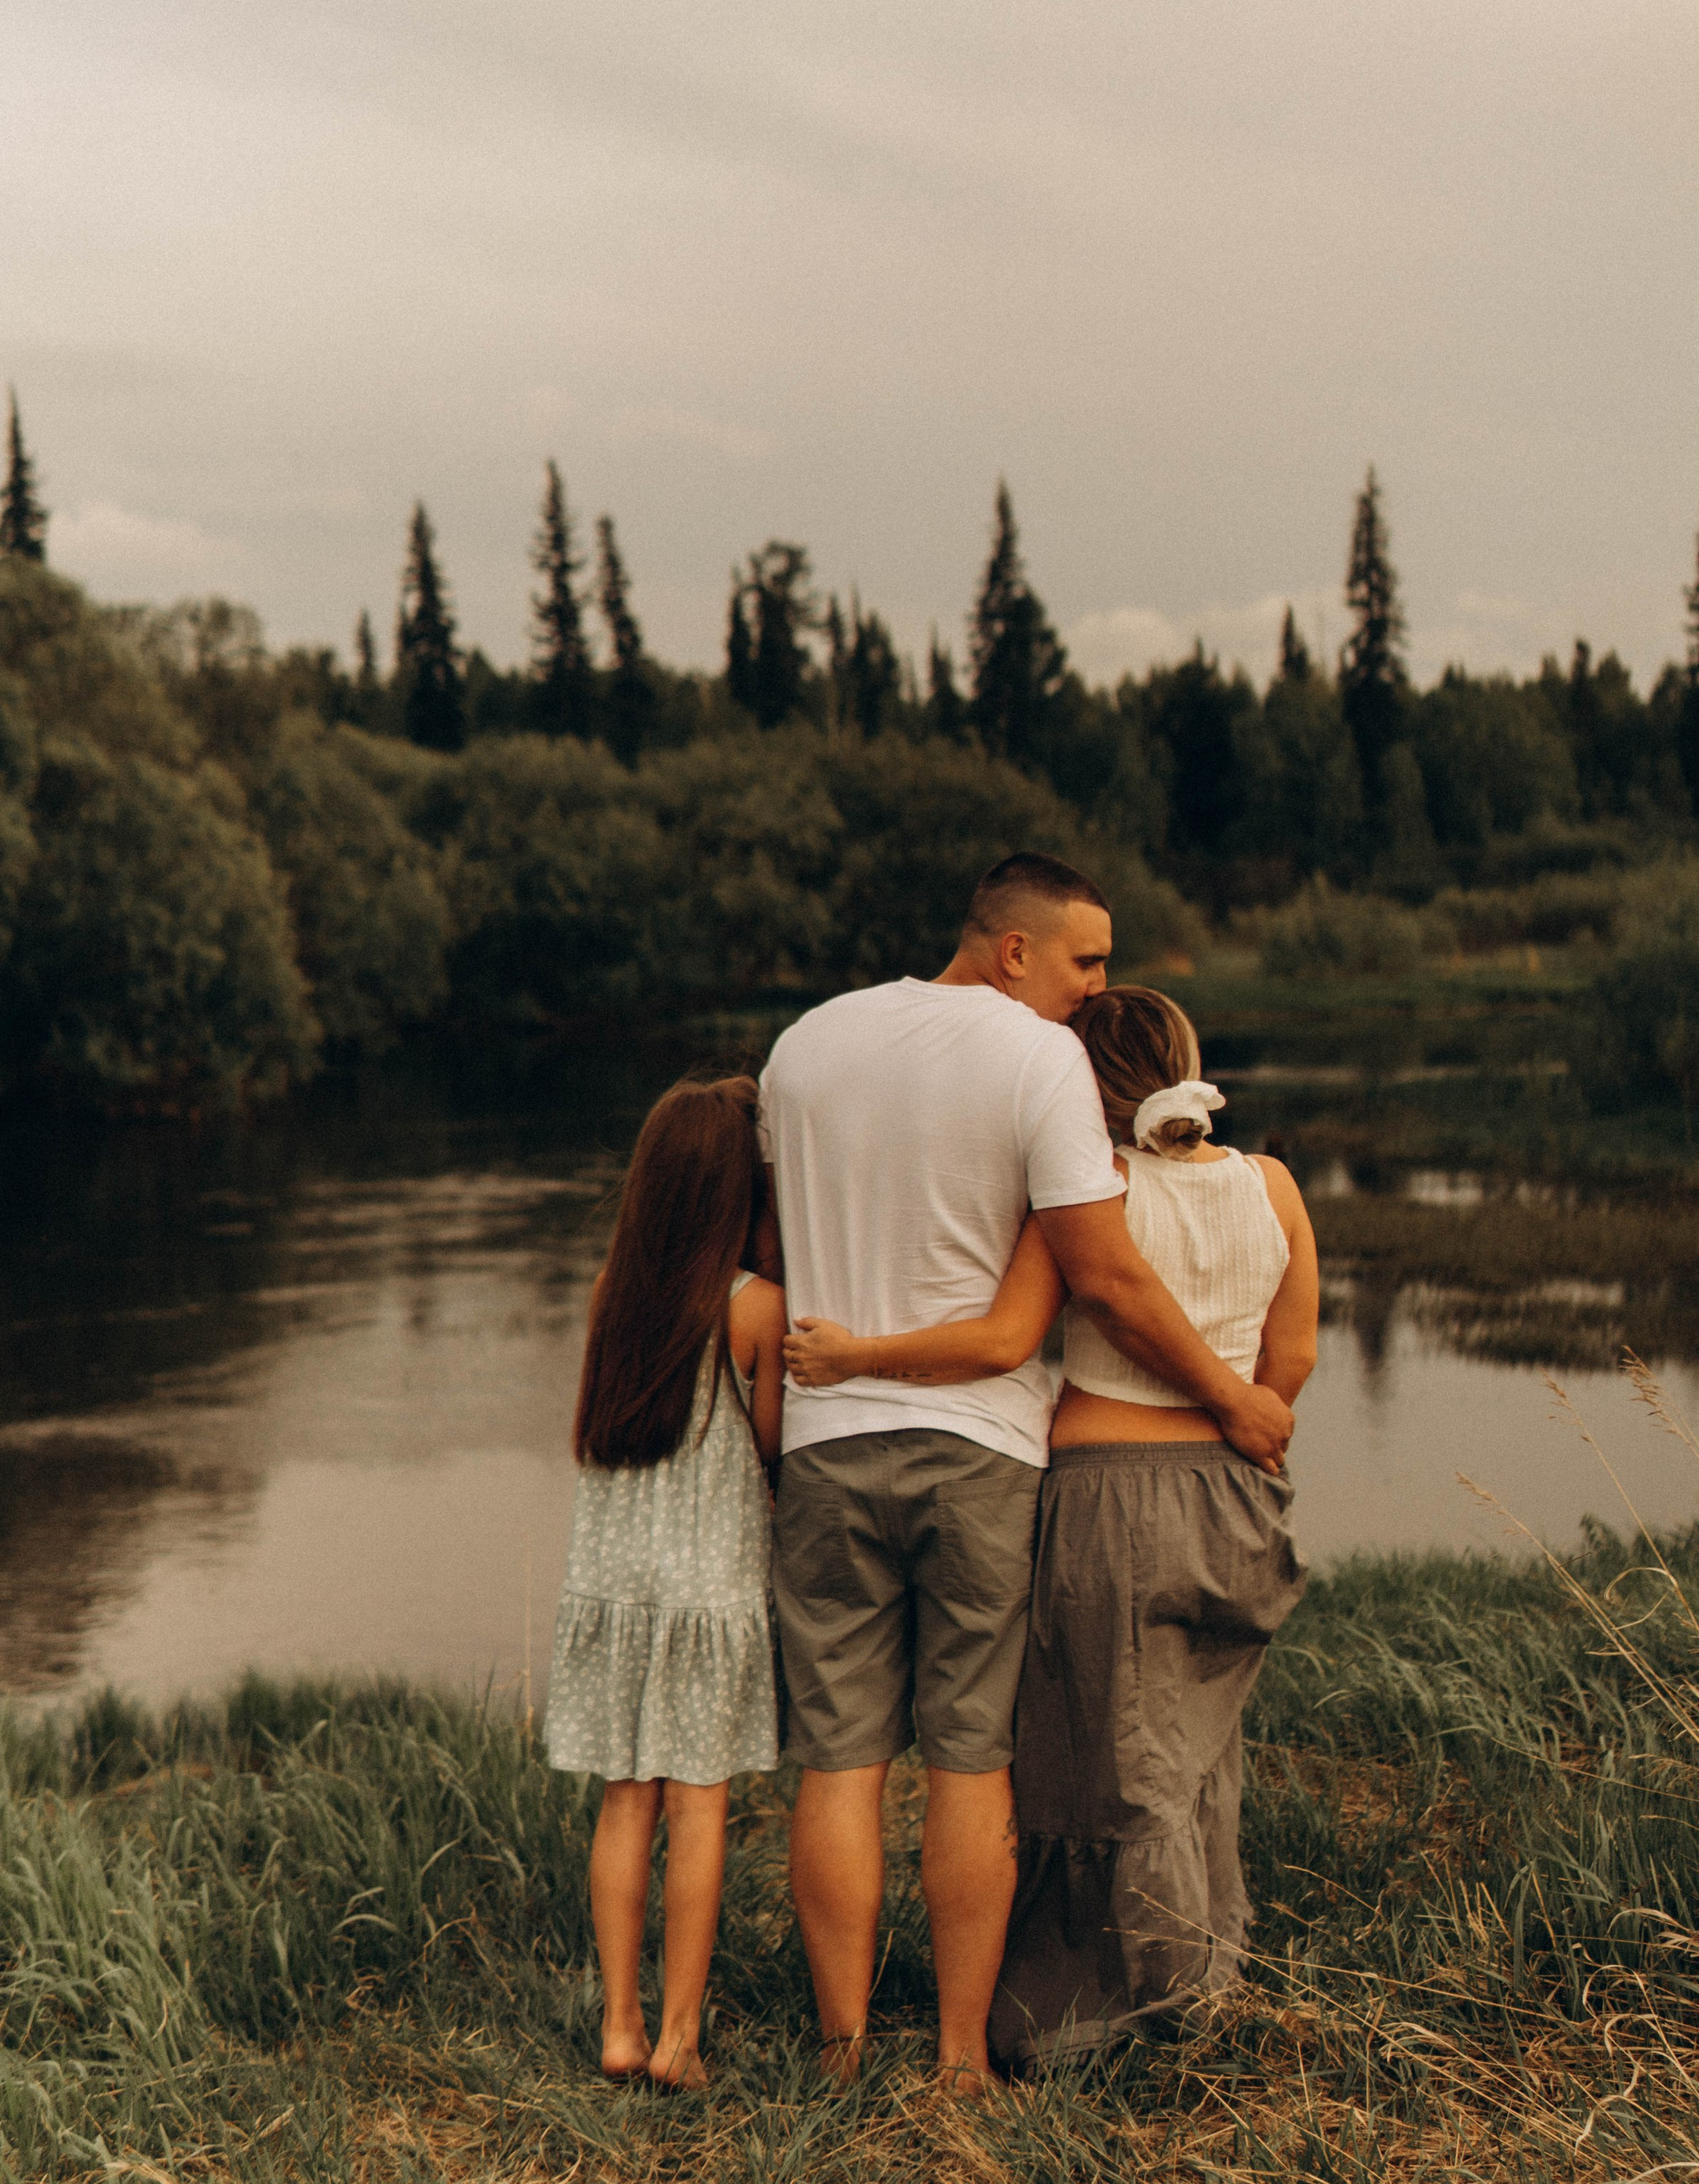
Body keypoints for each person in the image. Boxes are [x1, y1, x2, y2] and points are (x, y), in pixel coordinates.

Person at [760, 853, 1294, 2089]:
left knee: (838, 1762)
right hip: (983, 1450)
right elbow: (1102, 1271)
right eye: (1085, 961)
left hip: (831, 1441)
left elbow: (779, 1247)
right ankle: (957, 2062)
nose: (1096, 989)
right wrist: (1231, 1399)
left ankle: (839, 2054)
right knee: (969, 1761)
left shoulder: (807, 1043)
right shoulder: (1037, 1056)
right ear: (1015, 952)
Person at [543, 1075, 787, 2089]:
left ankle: (619, 2026)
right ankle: (680, 2040)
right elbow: (775, 1455)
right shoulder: (753, 1309)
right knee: (700, 1812)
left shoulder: (615, 1298)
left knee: (623, 1805)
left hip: (615, 1586)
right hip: (705, 1588)